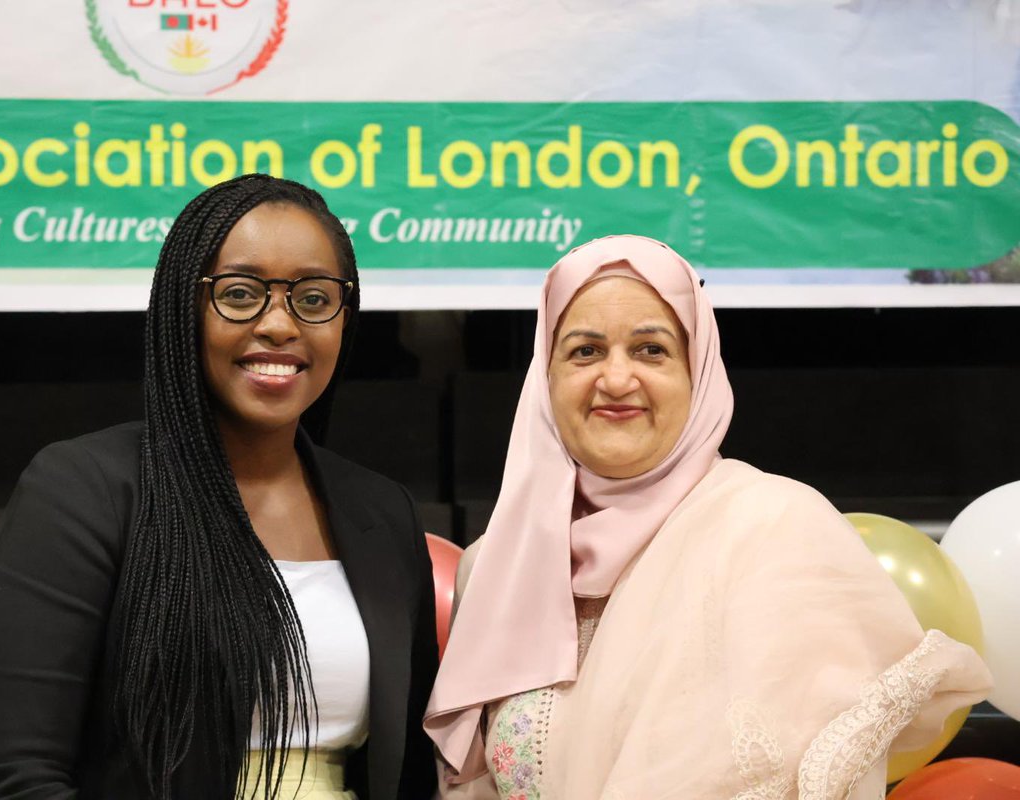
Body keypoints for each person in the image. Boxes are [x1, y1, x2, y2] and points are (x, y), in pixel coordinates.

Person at [424, 235, 992, 799]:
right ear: (544, 381)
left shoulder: (775, 530)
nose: (617, 379)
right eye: (584, 351)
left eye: (651, 350)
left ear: (699, 372)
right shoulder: (497, 565)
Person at [0, 174, 439, 800]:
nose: (280, 324)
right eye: (240, 294)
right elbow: (8, 777)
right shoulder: (83, 491)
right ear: (183, 308)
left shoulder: (383, 511)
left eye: (314, 299)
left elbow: (413, 777)